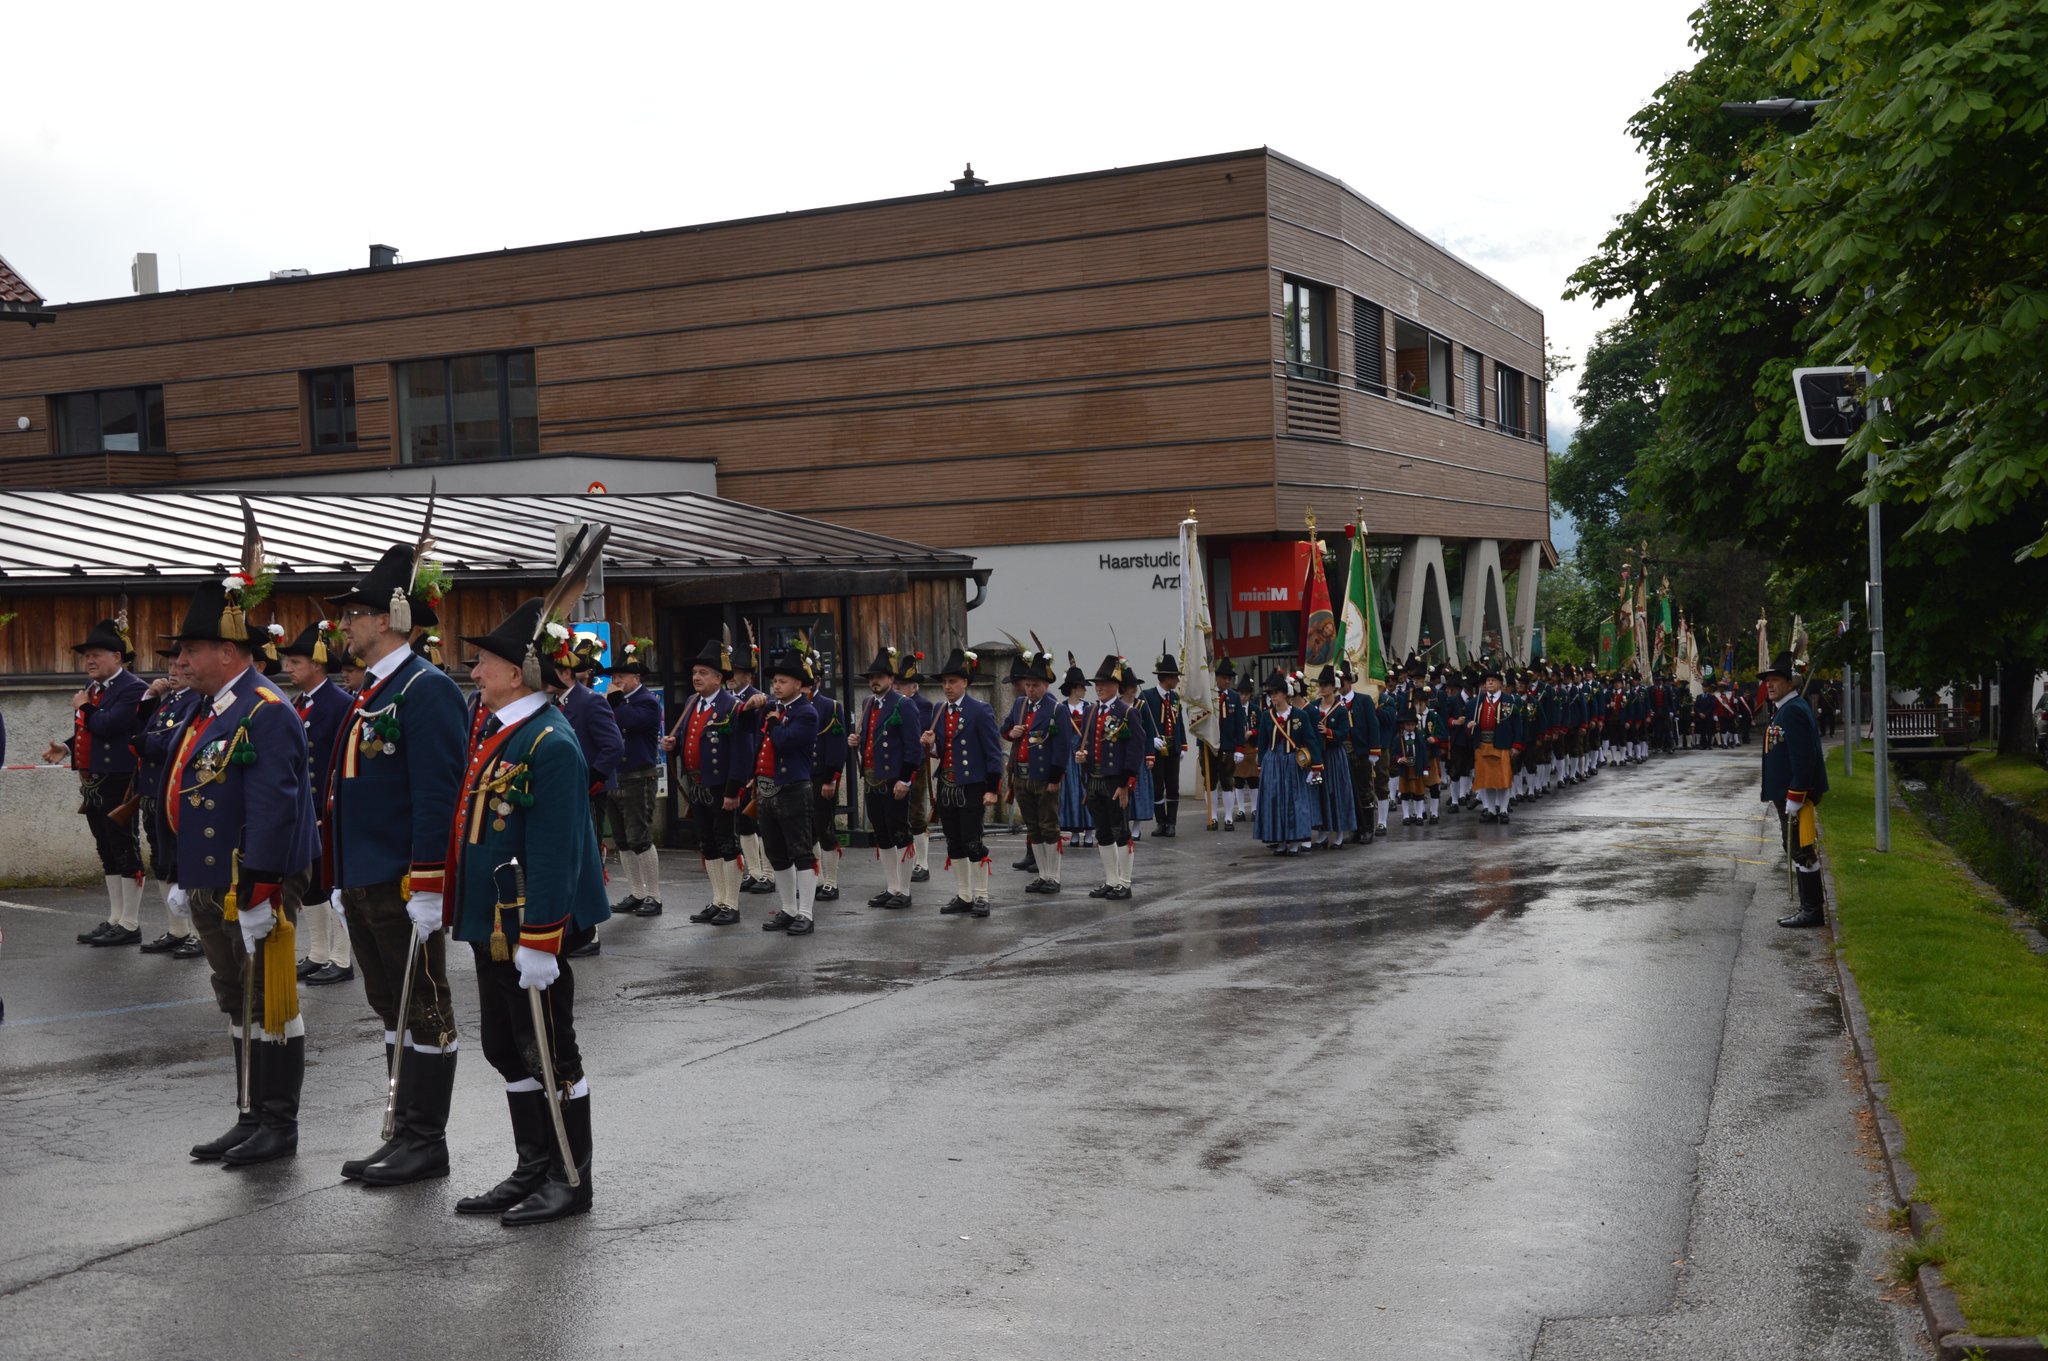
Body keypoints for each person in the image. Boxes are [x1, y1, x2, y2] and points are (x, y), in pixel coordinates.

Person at [450, 596, 611, 1225]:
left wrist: (542, 939)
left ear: (517, 673)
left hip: (528, 925)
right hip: (494, 921)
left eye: (484, 663)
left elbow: (555, 849)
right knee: (506, 1046)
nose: (475, 671)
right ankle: (533, 1165)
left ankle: (570, 1176)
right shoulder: (502, 730)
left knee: (550, 1051)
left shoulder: (549, 741)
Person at [325, 536, 468, 1187]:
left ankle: (426, 1140)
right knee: (391, 1004)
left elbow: (438, 793)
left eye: (354, 614)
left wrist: (431, 883)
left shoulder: (425, 688)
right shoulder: (375, 689)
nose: (344, 624)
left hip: (404, 880)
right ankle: (402, 1130)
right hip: (365, 876)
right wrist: (339, 874)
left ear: (388, 619)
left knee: (424, 1005)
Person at [166, 569, 319, 1166]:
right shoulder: (209, 707)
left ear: (228, 652)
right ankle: (251, 1111)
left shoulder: (265, 708)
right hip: (212, 876)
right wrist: (181, 870)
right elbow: (187, 789)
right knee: (234, 994)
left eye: (191, 650)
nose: (182, 661)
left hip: (253, 879)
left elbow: (275, 804)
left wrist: (262, 885)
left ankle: (279, 1123)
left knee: (267, 997)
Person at [46, 618, 148, 947]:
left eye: (96, 655)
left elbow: (108, 725)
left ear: (117, 657)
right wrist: (66, 747)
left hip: (120, 778)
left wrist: (85, 706)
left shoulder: (132, 688)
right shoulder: (93, 689)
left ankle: (130, 923)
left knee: (124, 846)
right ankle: (115, 918)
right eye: (87, 656)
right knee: (105, 848)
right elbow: (90, 729)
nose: (89, 661)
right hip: (93, 780)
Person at [281, 620, 356, 984]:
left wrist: (332, 807)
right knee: (310, 885)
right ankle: (319, 953)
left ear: (317, 663)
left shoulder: (340, 703)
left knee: (333, 885)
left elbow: (344, 762)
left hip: (327, 811)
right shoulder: (301, 702)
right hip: (304, 812)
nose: (288, 668)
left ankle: (342, 958)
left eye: (296, 662)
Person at [662, 638, 748, 925]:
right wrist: (674, 744)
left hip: (721, 786)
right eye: (694, 673)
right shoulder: (691, 703)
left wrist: (733, 790)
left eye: (703, 673)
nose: (696, 677)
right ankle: (718, 899)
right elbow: (687, 738)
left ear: (718, 678)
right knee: (707, 843)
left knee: (726, 842)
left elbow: (740, 752)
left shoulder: (732, 707)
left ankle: (732, 904)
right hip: (697, 784)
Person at [134, 643, 204, 958]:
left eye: (180, 666)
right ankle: (177, 929)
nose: (173, 672)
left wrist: (142, 744)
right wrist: (150, 696)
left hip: (174, 794)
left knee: (183, 862)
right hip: (154, 791)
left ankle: (199, 934)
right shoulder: (170, 700)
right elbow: (143, 730)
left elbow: (169, 743)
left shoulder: (194, 701)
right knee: (162, 861)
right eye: (171, 666)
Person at [553, 640, 623, 957]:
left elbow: (613, 746)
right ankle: (574, 927)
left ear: (567, 673)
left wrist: (592, 779)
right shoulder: (557, 702)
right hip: (566, 792)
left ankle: (591, 932)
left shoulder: (589, 701)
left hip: (587, 791)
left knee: (588, 859)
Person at [748, 643, 822, 936]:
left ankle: (806, 913)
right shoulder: (771, 709)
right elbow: (751, 737)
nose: (776, 686)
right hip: (767, 790)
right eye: (775, 681)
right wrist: (752, 707)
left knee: (801, 852)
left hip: (793, 788)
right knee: (776, 853)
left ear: (799, 685)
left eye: (783, 681)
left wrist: (774, 722)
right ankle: (789, 909)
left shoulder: (806, 712)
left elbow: (786, 741)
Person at [923, 648, 1003, 916]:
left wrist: (992, 789)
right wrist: (930, 744)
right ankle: (964, 895)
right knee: (954, 842)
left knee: (972, 842)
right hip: (946, 785)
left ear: (965, 683)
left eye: (953, 682)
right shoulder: (939, 710)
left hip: (972, 786)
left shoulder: (979, 710)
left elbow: (993, 752)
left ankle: (981, 896)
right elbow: (941, 750)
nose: (947, 687)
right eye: (944, 682)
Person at [1761, 651, 1830, 929]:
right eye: (1767, 681)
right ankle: (1809, 907)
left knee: (1800, 848)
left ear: (1790, 682)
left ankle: (1812, 910)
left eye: (1775, 680)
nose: (1769, 685)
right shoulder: (1787, 708)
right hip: (1788, 792)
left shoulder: (1792, 711)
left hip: (1794, 794)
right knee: (1795, 846)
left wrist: (1796, 794)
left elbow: (1803, 757)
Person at [852, 646, 925, 908]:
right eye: (872, 677)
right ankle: (892, 886)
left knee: (900, 834)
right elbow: (871, 737)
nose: (875, 681)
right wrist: (856, 742)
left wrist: (905, 780)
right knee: (881, 835)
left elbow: (913, 748)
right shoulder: (868, 703)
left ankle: (904, 891)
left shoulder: (904, 705)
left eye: (880, 677)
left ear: (891, 679)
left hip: (894, 780)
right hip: (872, 778)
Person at [606, 638, 666, 918]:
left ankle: (654, 894)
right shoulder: (616, 701)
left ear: (637, 678)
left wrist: (615, 700)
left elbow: (631, 721)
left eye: (622, 676)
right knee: (622, 839)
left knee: (639, 837)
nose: (616, 681)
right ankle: (636, 892)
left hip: (639, 776)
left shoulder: (647, 702)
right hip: (616, 775)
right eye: (614, 677)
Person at [1008, 647, 1074, 895]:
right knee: (1032, 827)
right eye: (1027, 685)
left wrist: (1055, 778)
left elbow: (1062, 747)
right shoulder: (1019, 705)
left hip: (1044, 777)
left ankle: (1053, 876)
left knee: (1048, 826)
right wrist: (1011, 732)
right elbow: (1004, 728)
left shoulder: (1056, 709)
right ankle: (1042, 874)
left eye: (1035, 685)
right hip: (1021, 775)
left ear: (1045, 685)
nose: (1030, 689)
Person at [1077, 655, 1142, 897]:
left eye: (1104, 683)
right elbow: (1088, 743)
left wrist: (1125, 784)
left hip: (1116, 781)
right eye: (1097, 683)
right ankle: (1111, 880)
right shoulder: (1091, 711)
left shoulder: (1127, 712)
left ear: (1116, 685)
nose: (1099, 687)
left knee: (1120, 831)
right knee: (1102, 832)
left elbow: (1134, 751)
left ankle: (1125, 882)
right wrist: (1082, 757)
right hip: (1094, 779)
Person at [727, 639, 778, 896]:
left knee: (761, 823)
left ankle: (769, 874)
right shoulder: (727, 700)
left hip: (754, 770)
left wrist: (754, 771)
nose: (731, 676)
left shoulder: (762, 701)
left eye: (736, 672)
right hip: (734, 770)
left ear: (748, 675)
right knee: (743, 824)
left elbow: (761, 738)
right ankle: (755, 871)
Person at [1253, 671, 1321, 855]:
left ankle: (1294, 842)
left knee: (1294, 801)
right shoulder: (1267, 716)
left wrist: (1317, 765)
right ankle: (1281, 840)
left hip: (1292, 763)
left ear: (1285, 694)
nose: (1272, 697)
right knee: (1275, 801)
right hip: (1273, 762)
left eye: (1275, 693)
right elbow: (1263, 742)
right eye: (1270, 694)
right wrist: (1261, 765)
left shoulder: (1300, 715)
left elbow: (1311, 739)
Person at [803, 665, 847, 902]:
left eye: (809, 682)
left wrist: (831, 779)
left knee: (824, 828)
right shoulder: (794, 706)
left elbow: (836, 746)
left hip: (822, 776)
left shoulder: (830, 706)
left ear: (817, 682)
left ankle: (831, 882)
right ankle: (817, 879)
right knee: (807, 831)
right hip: (801, 775)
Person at [896, 650, 936, 883]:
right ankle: (904, 862)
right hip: (895, 764)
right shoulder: (892, 703)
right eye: (897, 684)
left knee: (916, 813)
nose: (898, 688)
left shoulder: (923, 705)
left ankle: (922, 863)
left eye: (903, 684)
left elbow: (915, 735)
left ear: (914, 687)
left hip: (915, 764)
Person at [1140, 650, 1188, 837]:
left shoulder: (1174, 698)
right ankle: (1160, 822)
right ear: (1167, 678)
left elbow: (1179, 722)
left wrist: (1182, 745)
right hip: (1156, 750)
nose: (1177, 680)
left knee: (1173, 786)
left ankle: (1171, 823)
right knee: (1157, 787)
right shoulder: (1147, 697)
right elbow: (1141, 724)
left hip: (1173, 748)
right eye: (1175, 677)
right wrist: (1150, 739)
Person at [1310, 666, 1357, 849]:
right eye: (1320, 685)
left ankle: (1339, 834)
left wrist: (1328, 731)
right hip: (1318, 755)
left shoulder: (1340, 710)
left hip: (1334, 756)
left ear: (1334, 687)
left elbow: (1344, 733)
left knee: (1336, 793)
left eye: (1325, 685)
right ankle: (1322, 835)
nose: (1322, 688)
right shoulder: (1314, 706)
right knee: (1320, 794)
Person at [1470, 667, 1521, 822]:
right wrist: (1468, 724)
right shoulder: (1476, 702)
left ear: (1500, 684)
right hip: (1483, 744)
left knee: (1503, 780)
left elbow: (1518, 725)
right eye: (1488, 681)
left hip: (1502, 744)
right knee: (1488, 781)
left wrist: (1516, 745)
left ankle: (1503, 810)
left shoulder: (1510, 701)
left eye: (1493, 680)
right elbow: (1468, 719)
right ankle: (1491, 810)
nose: (1490, 683)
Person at [1056, 659, 1095, 849]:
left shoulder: (1090, 708)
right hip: (1068, 757)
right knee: (1070, 792)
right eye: (1082, 687)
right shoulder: (1061, 708)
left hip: (1085, 754)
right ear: (1073, 688)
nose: (1085, 690)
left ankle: (1089, 832)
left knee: (1087, 791)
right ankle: (1074, 831)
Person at [1204, 657, 1246, 832]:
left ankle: (1228, 816)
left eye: (1230, 678)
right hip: (1208, 745)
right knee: (1210, 781)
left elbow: (1240, 723)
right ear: (1217, 678)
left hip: (1228, 746)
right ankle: (1212, 816)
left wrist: (1240, 747)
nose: (1227, 681)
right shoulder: (1208, 695)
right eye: (1224, 678)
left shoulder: (1234, 697)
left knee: (1228, 781)